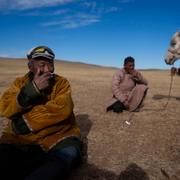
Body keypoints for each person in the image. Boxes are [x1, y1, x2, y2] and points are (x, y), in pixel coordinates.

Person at [0, 46, 83, 180]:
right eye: (42, 65)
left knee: (67, 155)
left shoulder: (61, 83)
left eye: (50, 64)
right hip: (23, 139)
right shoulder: (19, 83)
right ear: (30, 66)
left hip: (58, 136)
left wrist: (26, 122)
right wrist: (32, 90)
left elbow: (63, 108)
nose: (47, 70)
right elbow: (4, 107)